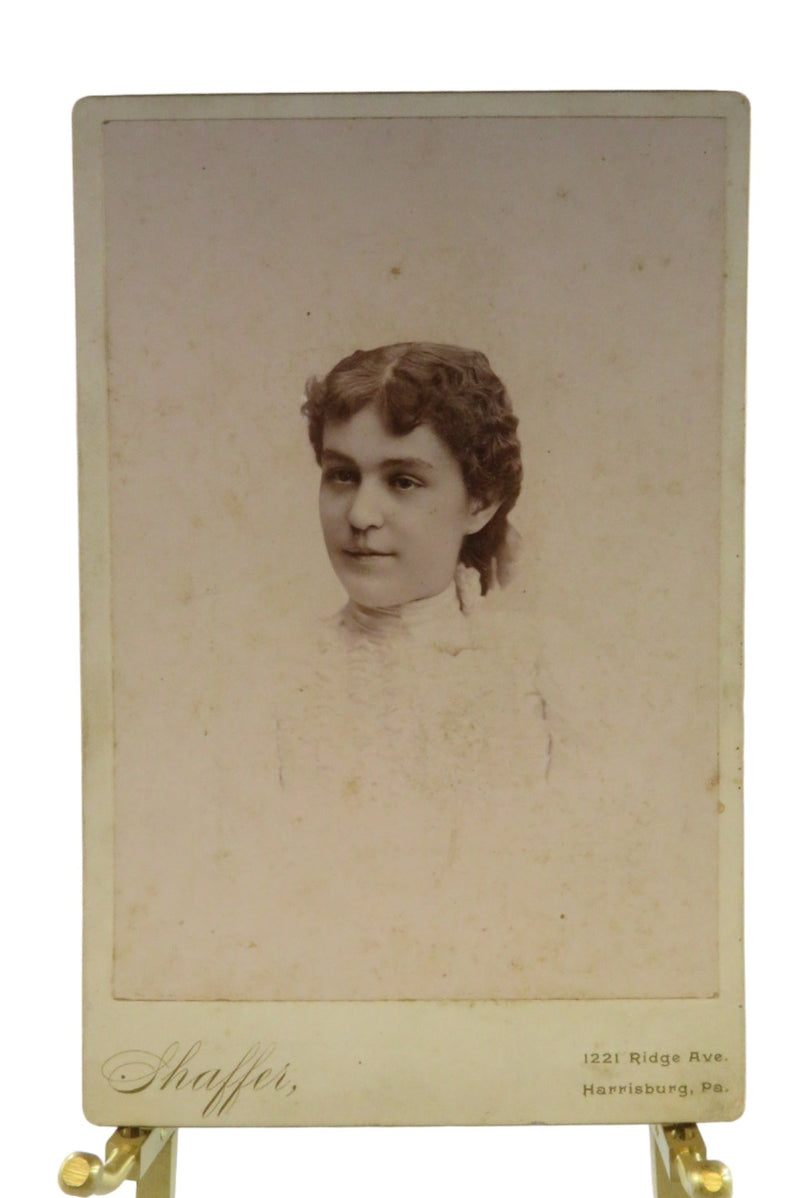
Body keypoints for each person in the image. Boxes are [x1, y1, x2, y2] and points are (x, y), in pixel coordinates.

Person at [300, 342, 524, 642]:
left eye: (403, 481)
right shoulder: (269, 664)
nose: (360, 515)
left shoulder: (532, 671)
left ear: (480, 503)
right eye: (343, 475)